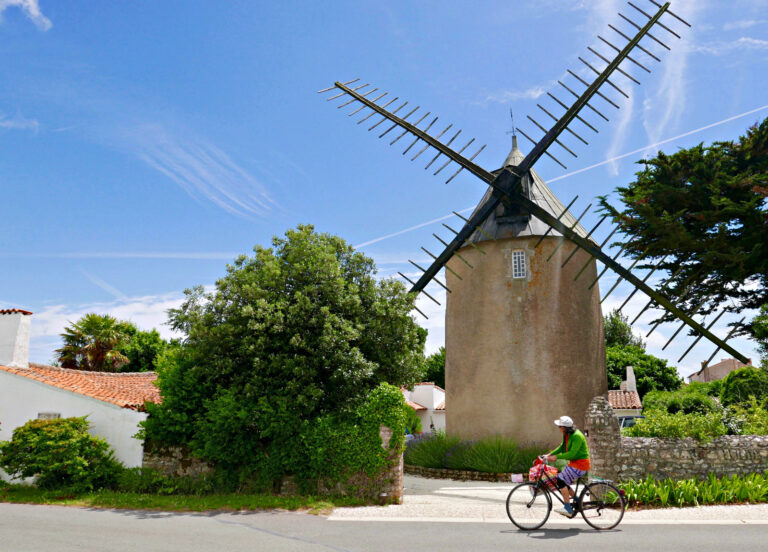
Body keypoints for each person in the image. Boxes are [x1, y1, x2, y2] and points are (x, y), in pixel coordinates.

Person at [542, 415, 590, 517]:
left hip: (581, 464)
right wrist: (549, 455)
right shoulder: (567, 434)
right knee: (563, 481)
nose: (558, 428)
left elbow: (572, 454)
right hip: (574, 463)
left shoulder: (577, 436)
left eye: (560, 426)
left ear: (564, 427)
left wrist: (556, 457)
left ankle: (568, 508)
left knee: (560, 480)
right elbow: (562, 447)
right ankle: (577, 501)